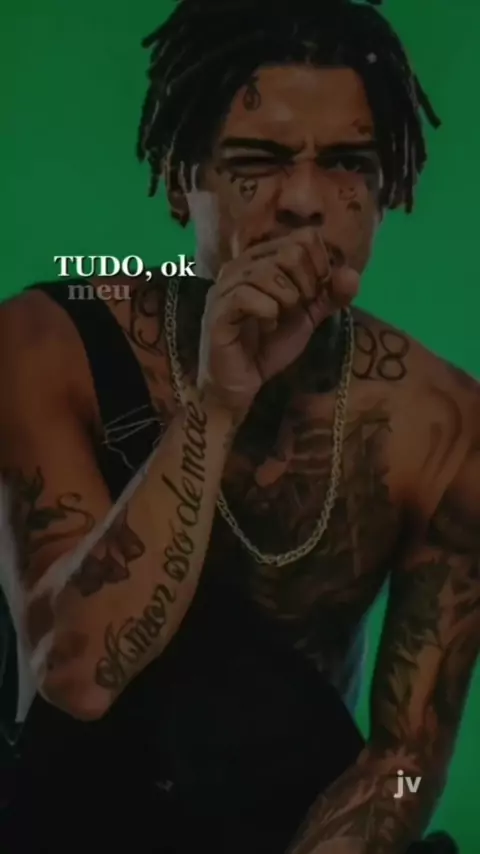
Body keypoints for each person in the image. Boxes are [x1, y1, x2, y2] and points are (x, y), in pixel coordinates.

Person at [0, 0, 477, 851]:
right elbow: (75, 676)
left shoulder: (443, 427)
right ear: (182, 180)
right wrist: (217, 401)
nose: (304, 203)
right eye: (258, 162)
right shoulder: (46, 345)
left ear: (388, 189)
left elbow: (405, 763)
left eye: (348, 165)